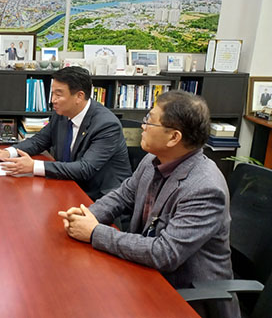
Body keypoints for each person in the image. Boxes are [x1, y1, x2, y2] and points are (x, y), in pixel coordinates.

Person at [58, 90, 239, 318]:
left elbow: (165, 253)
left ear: (174, 137)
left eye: (149, 122)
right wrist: (89, 216)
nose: (142, 126)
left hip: (185, 296)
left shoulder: (205, 188)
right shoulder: (153, 160)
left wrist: (94, 232)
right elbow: (123, 195)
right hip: (144, 274)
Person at [0, 66, 131, 200]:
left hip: (99, 197)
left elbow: (85, 168)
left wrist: (33, 166)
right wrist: (9, 152)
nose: (52, 100)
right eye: (52, 94)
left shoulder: (106, 125)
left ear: (79, 96)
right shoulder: (62, 113)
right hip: (68, 186)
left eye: (58, 95)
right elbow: (39, 141)